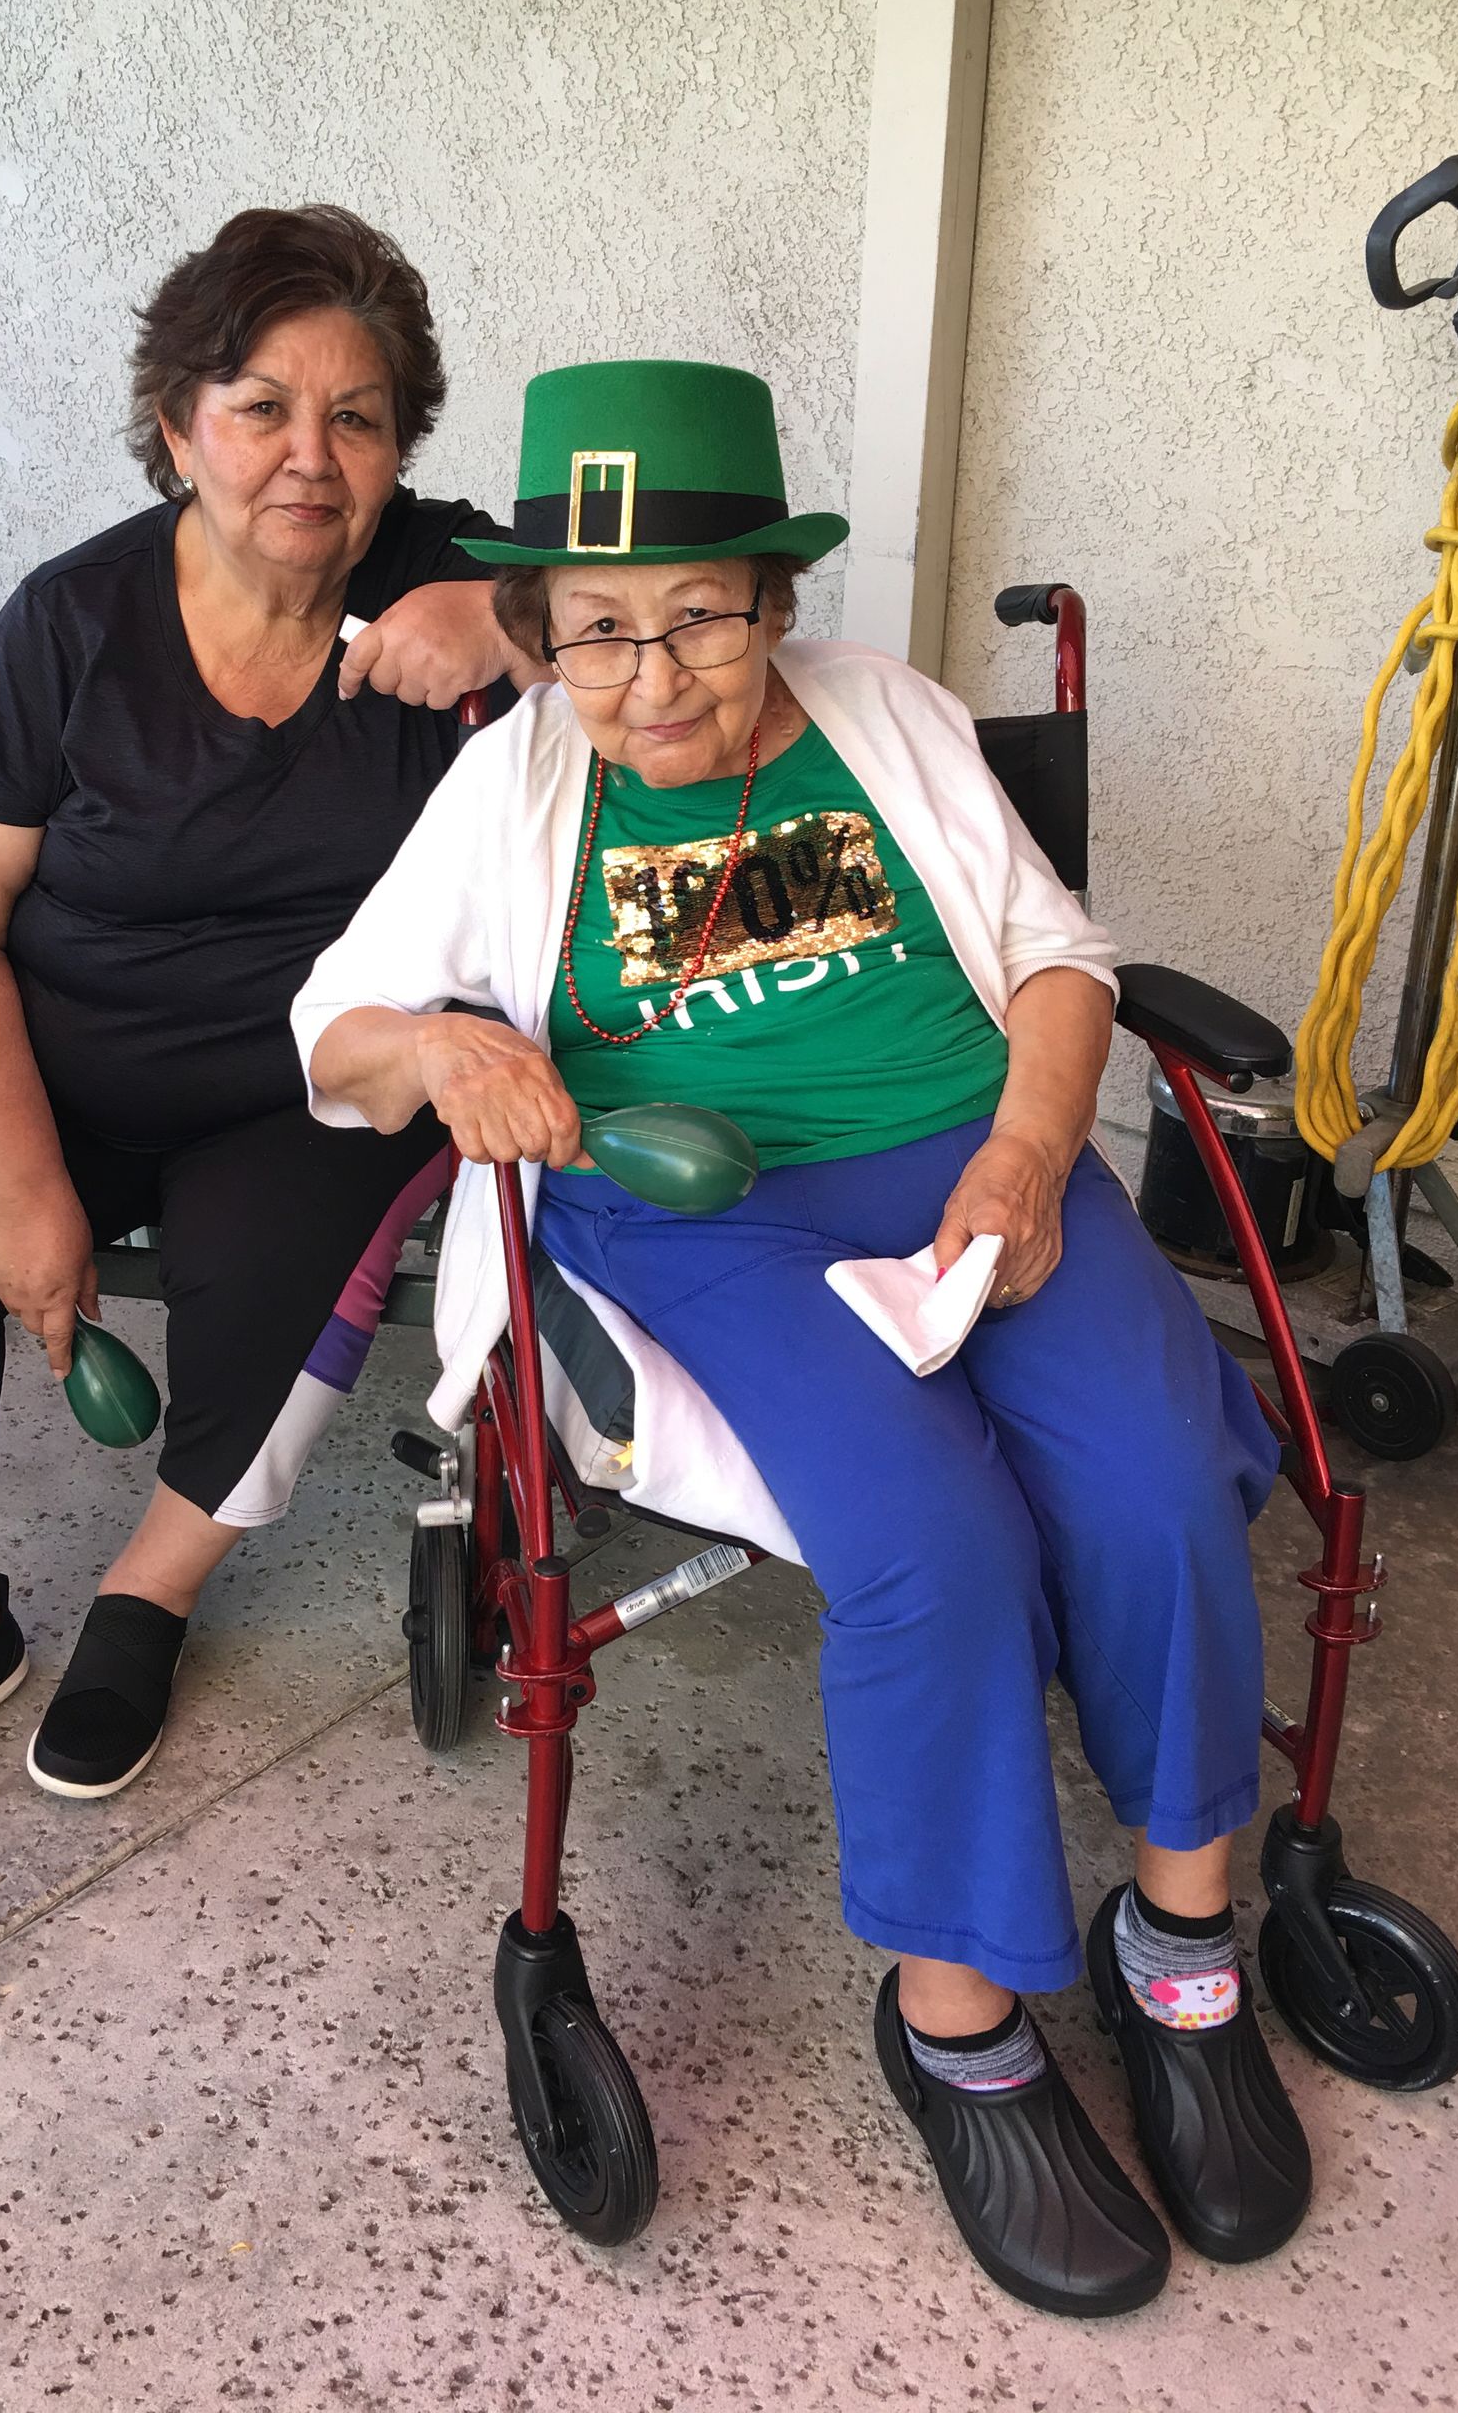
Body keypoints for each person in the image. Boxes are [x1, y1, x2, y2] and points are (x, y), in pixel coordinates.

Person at [291, 360, 1314, 2316]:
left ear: (775, 600)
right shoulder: (513, 784)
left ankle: (1183, 1953)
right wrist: (438, 1046)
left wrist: (1031, 1153)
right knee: (932, 1542)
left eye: (699, 617)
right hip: (706, 1209)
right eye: (598, 631)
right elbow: (333, 1029)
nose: (652, 677)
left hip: (977, 1161)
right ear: (541, 634)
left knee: (1161, 1480)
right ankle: (958, 2024)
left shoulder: (887, 715)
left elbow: (1057, 959)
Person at [0, 205, 528, 1834]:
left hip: (314, 1070)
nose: (309, 456)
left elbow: (685, 617)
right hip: (60, 1045)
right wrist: (24, 1188)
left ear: (402, 446)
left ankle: (150, 1592)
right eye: (261, 407)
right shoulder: (77, 622)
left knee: (274, 1255)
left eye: (357, 417)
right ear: (180, 426)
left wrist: (514, 621)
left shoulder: (456, 577)